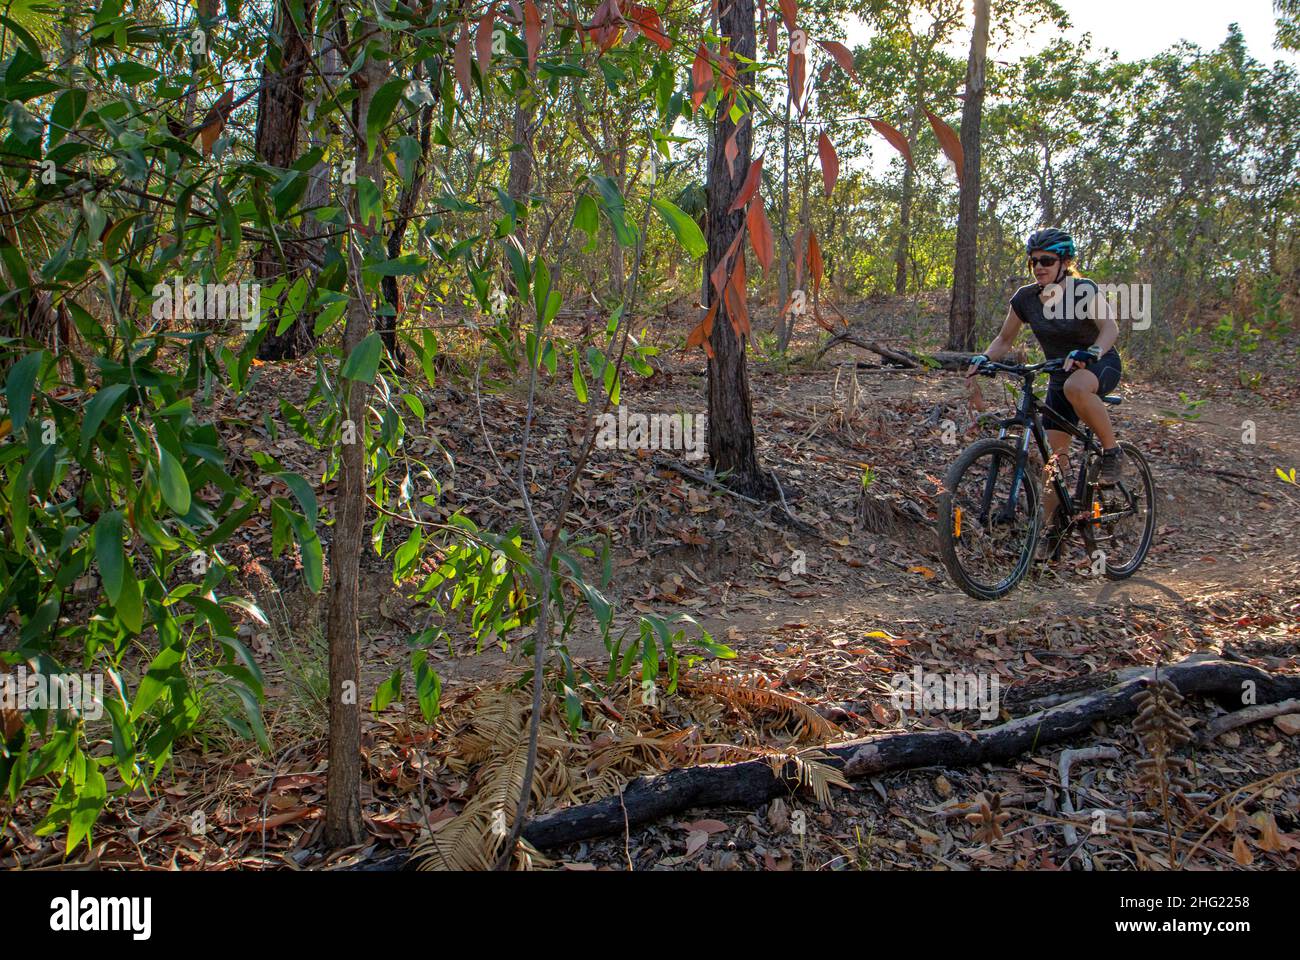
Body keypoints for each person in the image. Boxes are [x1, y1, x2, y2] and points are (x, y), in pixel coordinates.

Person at [966, 228, 1124, 529]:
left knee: (1075, 385)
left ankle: (1112, 452)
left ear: (1064, 263)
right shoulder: (1026, 298)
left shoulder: (1083, 290)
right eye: (1034, 261)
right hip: (1058, 373)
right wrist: (986, 358)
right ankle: (1051, 536)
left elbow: (1110, 329)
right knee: (1054, 462)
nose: (1039, 266)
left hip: (1100, 364)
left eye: (1047, 261)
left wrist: (1091, 352)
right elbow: (1004, 338)